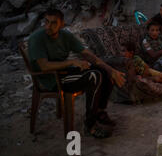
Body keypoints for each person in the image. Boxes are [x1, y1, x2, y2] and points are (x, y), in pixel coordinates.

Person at [28, 8, 127, 138]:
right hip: (50, 79)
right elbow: (44, 66)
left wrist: (112, 71)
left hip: (63, 72)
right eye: (46, 22)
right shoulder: (37, 38)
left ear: (62, 24)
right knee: (94, 76)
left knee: (104, 71)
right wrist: (72, 62)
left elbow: (87, 54)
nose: (48, 26)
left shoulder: (65, 36)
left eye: (53, 23)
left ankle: (100, 112)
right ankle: (90, 126)